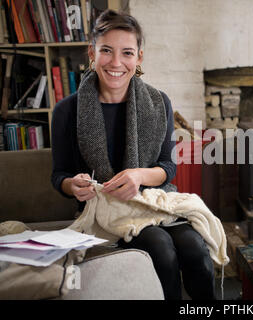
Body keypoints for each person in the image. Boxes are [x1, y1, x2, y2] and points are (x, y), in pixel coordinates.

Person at [51, 9, 216, 300]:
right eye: (106, 51)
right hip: (103, 211)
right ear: (92, 53)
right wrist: (72, 185)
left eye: (127, 52)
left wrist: (138, 175)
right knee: (161, 250)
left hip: (152, 201)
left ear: (138, 58)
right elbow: (59, 176)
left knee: (196, 249)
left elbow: (168, 166)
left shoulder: (158, 102)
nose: (116, 63)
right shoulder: (67, 111)